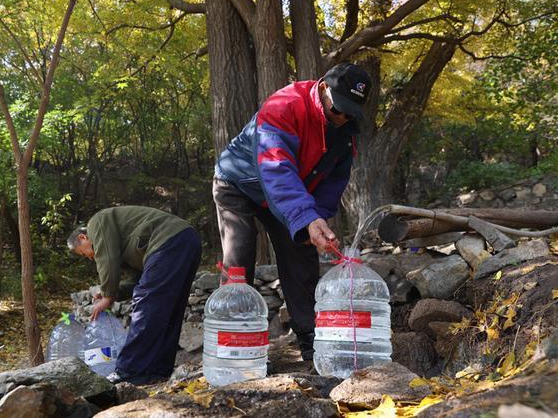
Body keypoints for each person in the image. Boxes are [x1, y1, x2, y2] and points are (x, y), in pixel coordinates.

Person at [213, 62, 372, 360]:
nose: (344, 117)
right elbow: (276, 166)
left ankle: (313, 344)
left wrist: (317, 219)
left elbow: (333, 181)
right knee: (239, 259)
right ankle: (234, 347)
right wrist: (305, 216)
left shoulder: (345, 131)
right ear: (323, 88)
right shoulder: (284, 106)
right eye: (339, 109)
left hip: (289, 194)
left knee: (301, 255)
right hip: (238, 183)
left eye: (352, 112)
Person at [67, 206, 201, 384]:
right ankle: (156, 371)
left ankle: (127, 372)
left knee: (146, 305)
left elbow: (106, 259)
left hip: (169, 240)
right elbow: (136, 281)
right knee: (169, 310)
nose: (91, 258)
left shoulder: (97, 223)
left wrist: (107, 295)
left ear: (82, 238)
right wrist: (112, 292)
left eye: (85, 254)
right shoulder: (125, 247)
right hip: (187, 241)